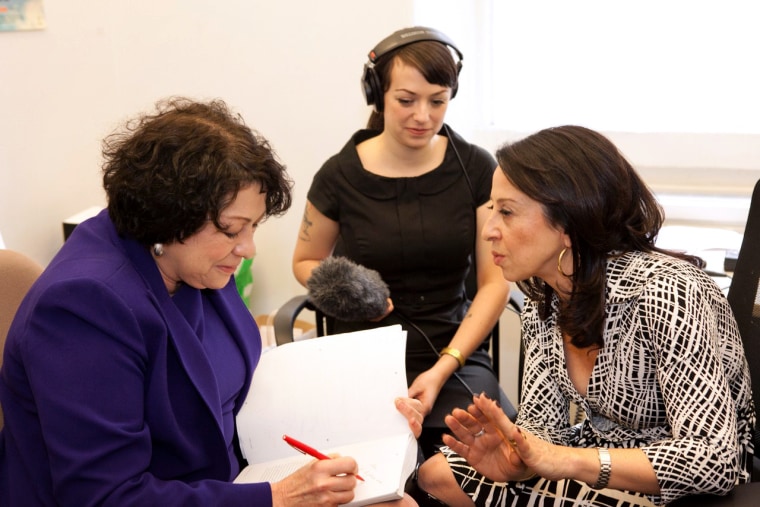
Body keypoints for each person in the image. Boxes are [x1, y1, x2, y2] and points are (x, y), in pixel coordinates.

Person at [0, 97, 423, 506]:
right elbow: (106, 495)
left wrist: (367, 421)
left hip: (224, 482)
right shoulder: (84, 305)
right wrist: (275, 498)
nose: (248, 248)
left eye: (252, 226)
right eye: (232, 229)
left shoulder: (192, 261)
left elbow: (233, 392)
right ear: (170, 214)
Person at [415, 125, 756, 506]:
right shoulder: (541, 301)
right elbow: (544, 432)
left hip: (680, 481)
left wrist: (565, 461)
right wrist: (518, 460)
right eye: (492, 209)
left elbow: (714, 459)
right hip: (596, 455)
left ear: (568, 225)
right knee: (435, 475)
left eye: (507, 212)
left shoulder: (666, 291)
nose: (489, 231)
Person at [292, 26, 511, 459]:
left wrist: (444, 365)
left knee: (482, 461)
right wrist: (348, 287)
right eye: (406, 101)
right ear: (377, 94)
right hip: (361, 356)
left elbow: (495, 283)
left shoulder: (475, 168)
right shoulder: (339, 175)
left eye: (438, 101)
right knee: (370, 468)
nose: (423, 116)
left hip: (453, 355)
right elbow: (305, 260)